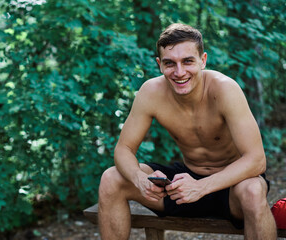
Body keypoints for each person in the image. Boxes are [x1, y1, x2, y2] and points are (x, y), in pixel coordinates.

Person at [98, 23, 277, 240]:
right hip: (184, 185)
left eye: (188, 61)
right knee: (111, 178)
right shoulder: (150, 92)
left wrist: (201, 187)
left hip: (232, 187)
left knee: (253, 191)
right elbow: (123, 149)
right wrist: (139, 179)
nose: (179, 72)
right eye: (170, 64)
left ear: (203, 60)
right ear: (159, 65)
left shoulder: (224, 89)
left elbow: (257, 161)